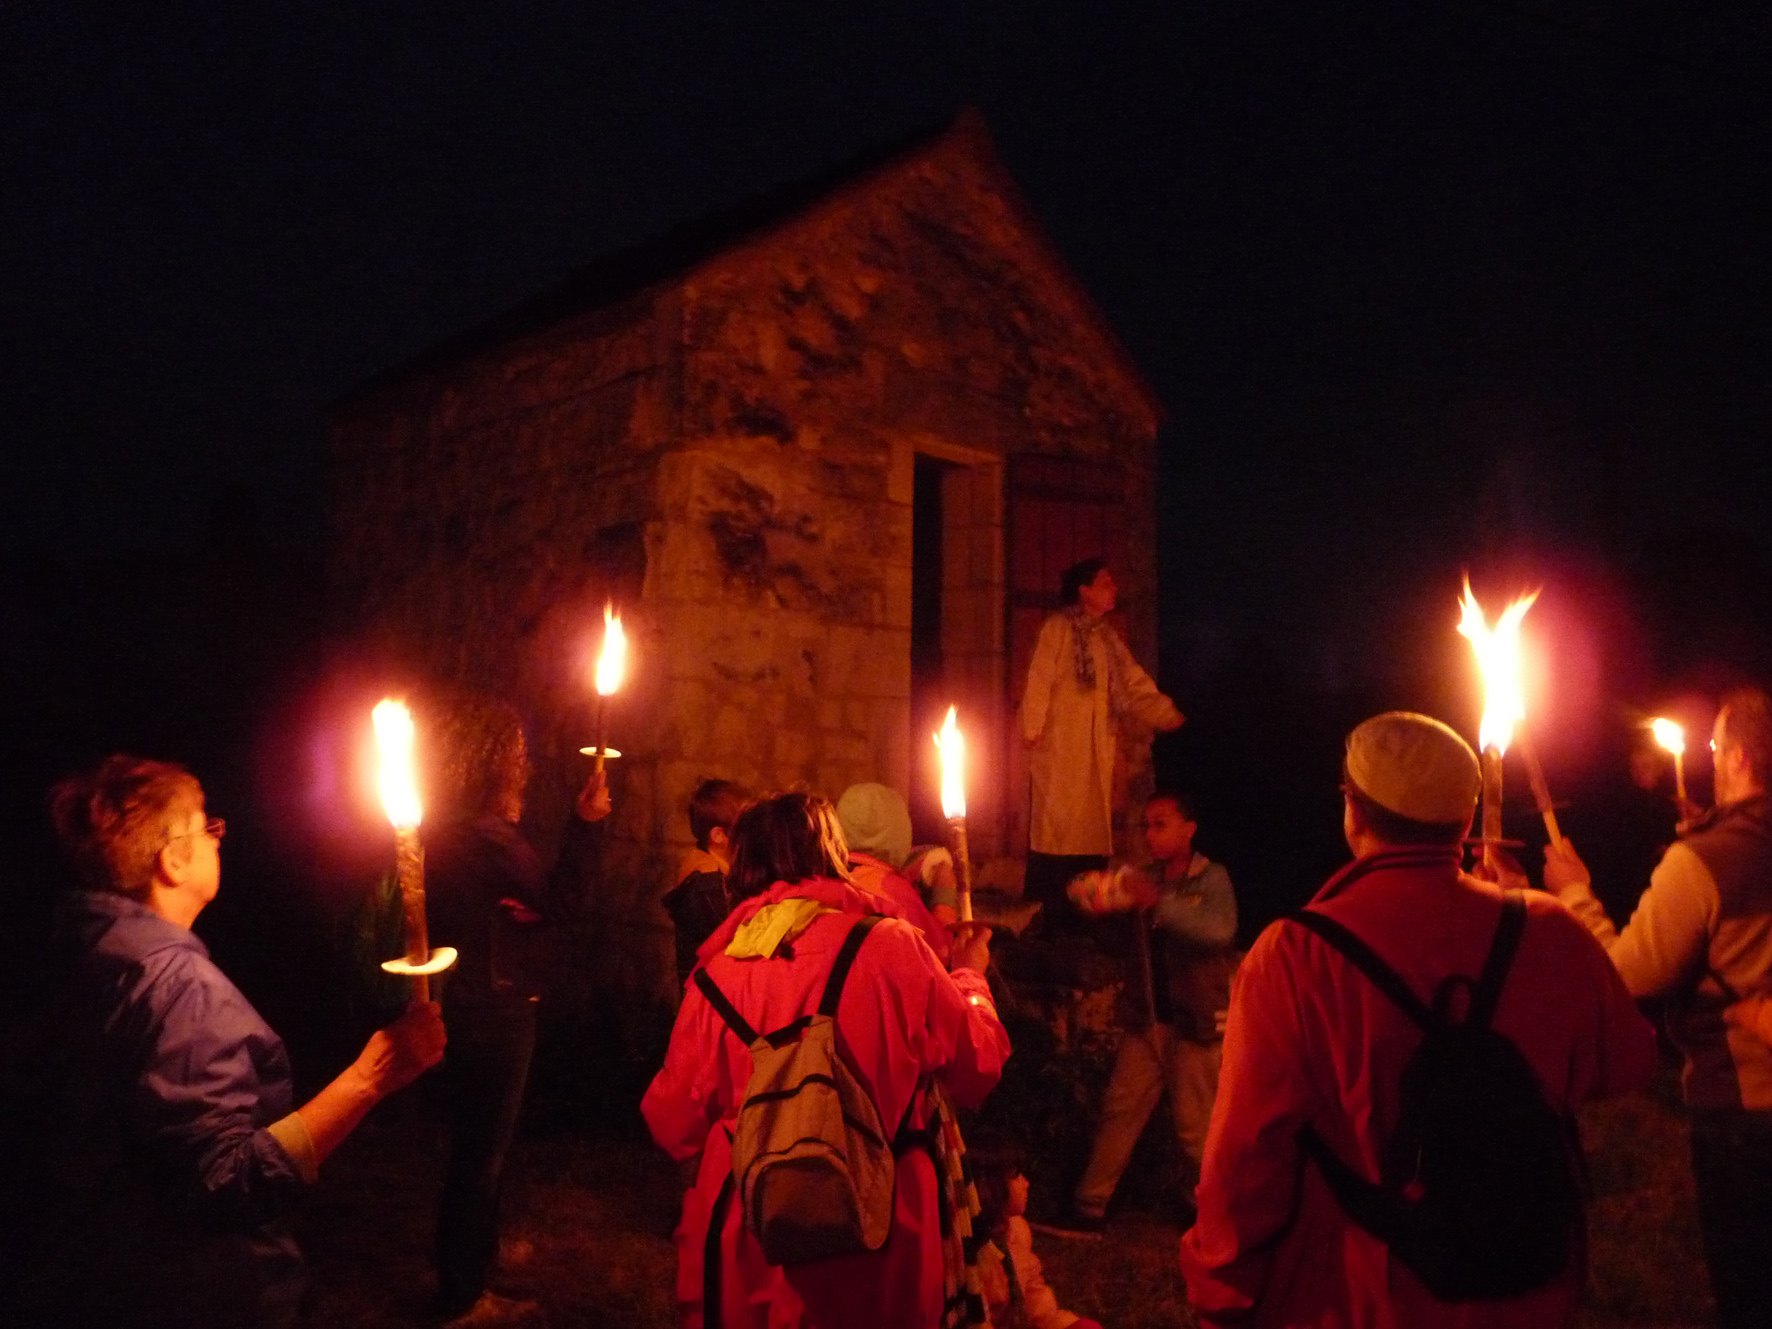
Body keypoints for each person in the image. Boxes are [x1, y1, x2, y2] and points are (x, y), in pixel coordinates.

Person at [1181, 712, 1657, 1328]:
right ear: (1465, 820)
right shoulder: (1547, 930)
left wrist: (1220, 1289)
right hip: (1526, 1283)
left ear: (1353, 810)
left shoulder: (1295, 955)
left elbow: (1248, 1154)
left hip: (1364, 1290)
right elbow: (1626, 1062)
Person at [0, 755, 447, 1328]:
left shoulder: (74, 954)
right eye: (206, 826)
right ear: (173, 859)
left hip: (78, 1277)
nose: (218, 839)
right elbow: (226, 1182)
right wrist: (372, 1077)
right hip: (186, 1294)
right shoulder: (179, 991)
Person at [641, 791, 1011, 1329]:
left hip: (753, 1236)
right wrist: (972, 978)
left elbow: (672, 1122)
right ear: (834, 854)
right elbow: (976, 1064)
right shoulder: (895, 947)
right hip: (881, 1228)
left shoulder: (715, 976)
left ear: (739, 868)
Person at [1543, 687, 1772, 1328]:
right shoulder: (1715, 849)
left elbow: (1625, 978)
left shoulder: (1700, 861)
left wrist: (1576, 895)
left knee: (1751, 1289)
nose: (1713, 757)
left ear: (1743, 760)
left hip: (1747, 1112)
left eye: (1718, 747)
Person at [419, 692, 612, 1324]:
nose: (523, 765)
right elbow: (563, 898)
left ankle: (470, 1262)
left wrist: (531, 907)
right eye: (517, 755)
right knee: (483, 1149)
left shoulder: (444, 828)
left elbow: (527, 903)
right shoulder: (491, 838)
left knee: (475, 1144)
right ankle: (461, 1294)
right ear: (496, 763)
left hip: (464, 999)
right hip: (494, 1005)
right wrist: (587, 823)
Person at [1044, 790, 1236, 1235]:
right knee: (1121, 1109)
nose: (1150, 834)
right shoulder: (1143, 879)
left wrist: (1157, 902)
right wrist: (1102, 899)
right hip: (1147, 1019)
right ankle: (1088, 1209)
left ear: (1189, 829)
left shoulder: (1210, 880)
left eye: (1161, 824)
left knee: (1196, 1130)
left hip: (1194, 1022)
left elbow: (1219, 930)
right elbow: (1087, 899)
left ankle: (1213, 1215)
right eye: (1146, 825)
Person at [1018, 558, 1183, 924]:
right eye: (1106, 582)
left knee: (1090, 826)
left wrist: (1168, 714)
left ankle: (1086, 911)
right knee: (1058, 828)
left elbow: (1133, 683)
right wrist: (1032, 727)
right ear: (1084, 590)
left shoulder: (1107, 639)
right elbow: (1040, 678)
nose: (1114, 588)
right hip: (1061, 748)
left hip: (1095, 748)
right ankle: (1049, 911)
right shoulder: (1058, 630)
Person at [970, 1148, 1103, 1329]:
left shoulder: (1017, 1230)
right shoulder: (974, 1252)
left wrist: (1055, 1322)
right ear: (992, 1188)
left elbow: (1032, 1289)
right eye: (1016, 1177)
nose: (1026, 1183)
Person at [837, 780, 955, 963]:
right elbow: (940, 954)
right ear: (900, 829)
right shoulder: (892, 890)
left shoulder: (828, 875)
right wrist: (944, 894)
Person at [663, 778, 753, 988]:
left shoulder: (716, 872)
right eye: (745, 828)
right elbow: (739, 946)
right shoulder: (708, 886)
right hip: (712, 1000)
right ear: (719, 835)